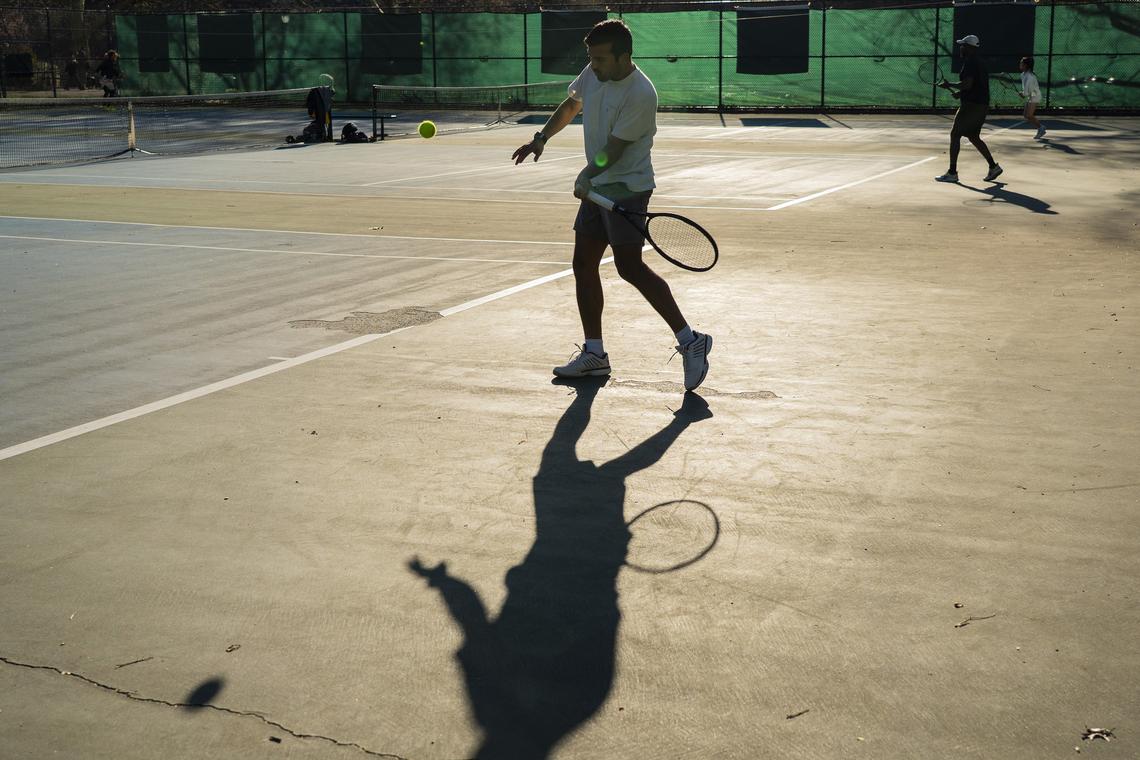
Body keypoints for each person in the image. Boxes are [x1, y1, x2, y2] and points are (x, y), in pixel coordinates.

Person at [511, 19, 712, 391]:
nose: (594, 65)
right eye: (592, 58)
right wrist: (541, 139)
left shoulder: (641, 93)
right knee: (583, 264)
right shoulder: (594, 72)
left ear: (624, 57)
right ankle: (595, 355)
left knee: (629, 267)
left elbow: (614, 150)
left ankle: (691, 340)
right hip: (597, 187)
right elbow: (572, 105)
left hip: (627, 188)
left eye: (601, 59)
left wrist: (587, 175)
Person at [935, 35, 1002, 183]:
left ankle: (952, 173)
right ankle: (993, 167)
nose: (961, 47)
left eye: (963, 45)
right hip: (981, 105)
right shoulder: (979, 63)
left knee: (955, 134)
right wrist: (959, 93)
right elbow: (975, 86)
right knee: (973, 137)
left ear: (970, 48)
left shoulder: (971, 63)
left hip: (972, 106)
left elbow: (967, 84)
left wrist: (950, 85)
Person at [1018, 56, 1046, 139]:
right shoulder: (1023, 75)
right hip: (1031, 96)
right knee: (1025, 115)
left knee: (1029, 115)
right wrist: (1024, 93)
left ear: (1026, 65)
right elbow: (1026, 89)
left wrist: (1023, 94)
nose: (1020, 65)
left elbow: (1027, 91)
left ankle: (1041, 128)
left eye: (1021, 63)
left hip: (1035, 96)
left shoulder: (1030, 77)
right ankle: (1041, 127)